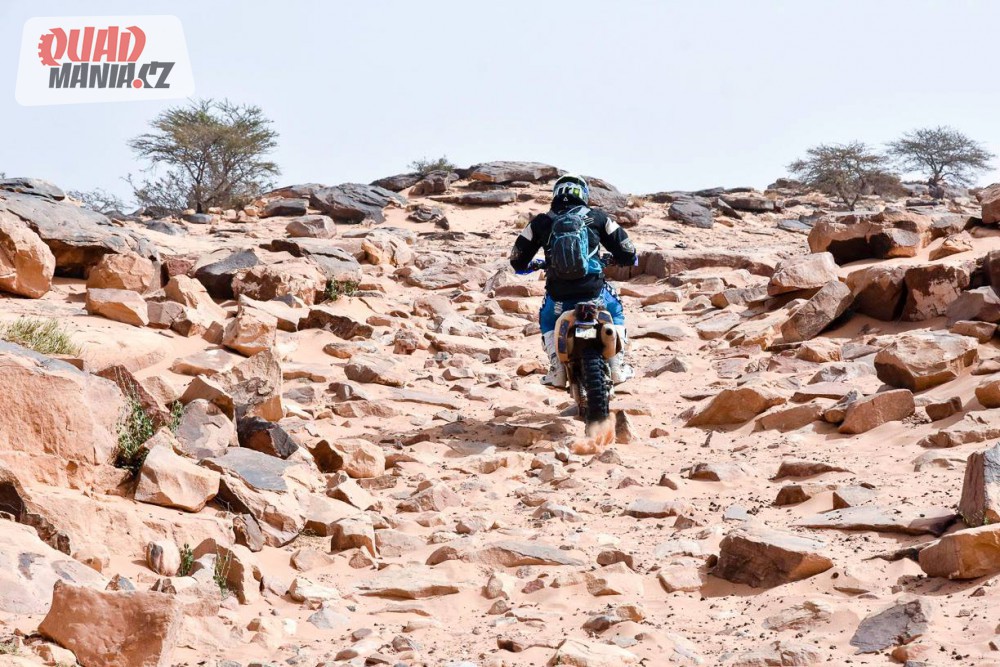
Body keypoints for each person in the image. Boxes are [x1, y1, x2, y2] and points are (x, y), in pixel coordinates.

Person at [508, 174, 638, 387]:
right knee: (616, 312)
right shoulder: (598, 218)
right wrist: (620, 260)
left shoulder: (541, 222)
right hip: (594, 291)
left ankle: (557, 369)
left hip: (558, 295)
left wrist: (533, 266)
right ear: (584, 194)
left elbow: (516, 260)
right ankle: (617, 366)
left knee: (547, 320)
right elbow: (628, 252)